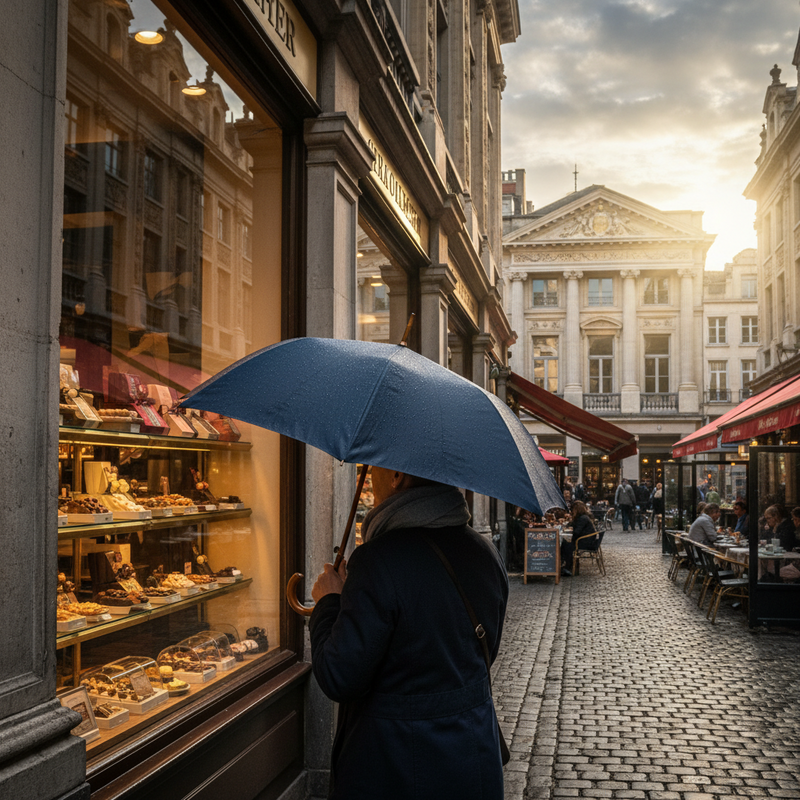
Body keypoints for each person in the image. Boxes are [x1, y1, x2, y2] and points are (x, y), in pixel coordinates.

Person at [309, 467, 509, 800]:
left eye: (373, 468)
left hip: (395, 766)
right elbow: (482, 648)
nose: (370, 477)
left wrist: (329, 602)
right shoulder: (485, 552)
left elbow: (339, 675)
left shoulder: (377, 561)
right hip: (472, 757)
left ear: (397, 475)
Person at [560, 501, 598, 576]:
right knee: (566, 543)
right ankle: (567, 565)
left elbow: (577, 532)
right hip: (586, 541)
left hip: (585, 542)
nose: (572, 511)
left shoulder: (583, 518)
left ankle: (568, 567)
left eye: (573, 509)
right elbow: (573, 525)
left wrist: (570, 535)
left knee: (566, 544)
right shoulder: (582, 517)